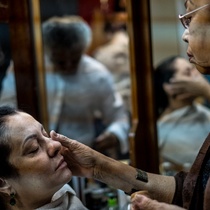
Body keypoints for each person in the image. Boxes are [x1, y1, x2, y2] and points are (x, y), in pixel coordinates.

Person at [48, 1, 210, 209]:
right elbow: (191, 189)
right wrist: (98, 166)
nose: (184, 35)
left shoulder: (95, 74)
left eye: (189, 17)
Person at [42, 15, 130, 159]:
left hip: (80, 156)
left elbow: (118, 116)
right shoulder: (29, 69)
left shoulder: (97, 74)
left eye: (75, 59)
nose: (68, 66)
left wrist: (114, 134)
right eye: (60, 61)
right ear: (47, 52)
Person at [0, 106, 88, 210]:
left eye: (45, 134)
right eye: (34, 148)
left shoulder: (66, 198)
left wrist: (101, 169)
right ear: (3, 183)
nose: (55, 145)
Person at [154, 55, 210, 171]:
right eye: (188, 72)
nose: (198, 76)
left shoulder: (202, 112)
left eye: (194, 69)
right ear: (170, 87)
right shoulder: (163, 133)